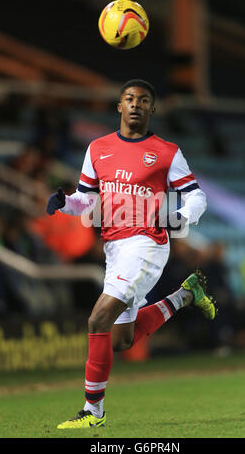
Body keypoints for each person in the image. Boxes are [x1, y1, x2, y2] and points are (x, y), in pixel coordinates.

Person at [46, 79, 216, 429]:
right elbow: (87, 201)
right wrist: (64, 202)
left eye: (143, 100)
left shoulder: (167, 152)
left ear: (152, 109)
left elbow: (197, 196)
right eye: (128, 98)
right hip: (114, 247)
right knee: (121, 340)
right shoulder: (97, 149)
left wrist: (178, 218)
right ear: (118, 106)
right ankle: (186, 296)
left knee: (97, 320)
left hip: (147, 245)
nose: (135, 104)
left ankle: (93, 412)